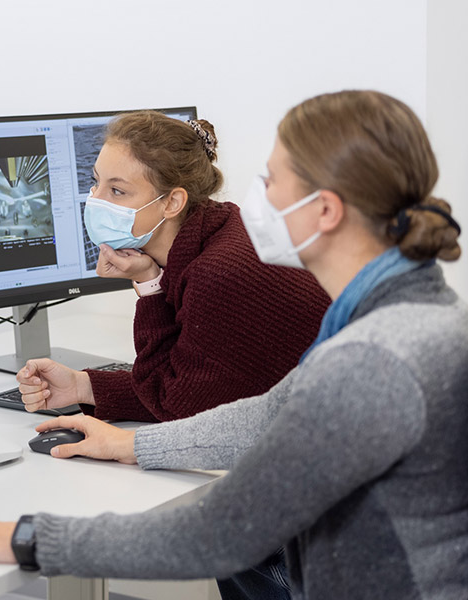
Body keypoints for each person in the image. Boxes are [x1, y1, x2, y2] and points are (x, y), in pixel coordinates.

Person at [0, 90, 468, 600]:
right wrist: (134, 447)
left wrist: (24, 538)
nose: (257, 198)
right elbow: (272, 413)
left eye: (272, 181)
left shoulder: (373, 360)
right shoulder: (414, 314)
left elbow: (220, 534)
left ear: (325, 211)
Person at [18, 110, 329, 422]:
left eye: (117, 191)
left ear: (172, 202)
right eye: (95, 182)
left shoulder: (217, 274)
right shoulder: (219, 229)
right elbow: (197, 389)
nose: (95, 201)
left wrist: (150, 287)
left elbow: (177, 410)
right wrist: (82, 387)